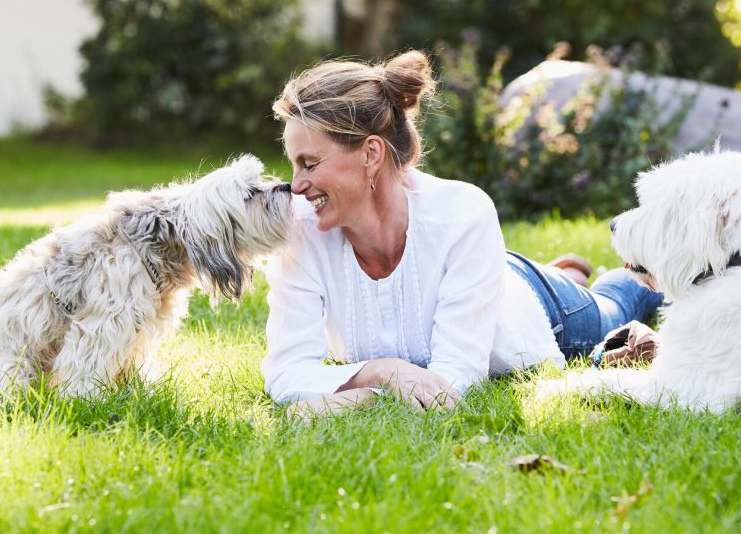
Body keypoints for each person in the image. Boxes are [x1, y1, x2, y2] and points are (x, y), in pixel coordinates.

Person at [262, 50, 662, 415]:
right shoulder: (300, 231)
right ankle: (563, 271)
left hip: (539, 308)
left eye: (309, 164)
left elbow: (452, 381)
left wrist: (359, 397)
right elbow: (284, 372)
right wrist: (381, 371)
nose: (296, 186)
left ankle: (588, 279)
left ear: (371, 154)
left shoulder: (462, 214)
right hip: (479, 273)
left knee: (617, 303)